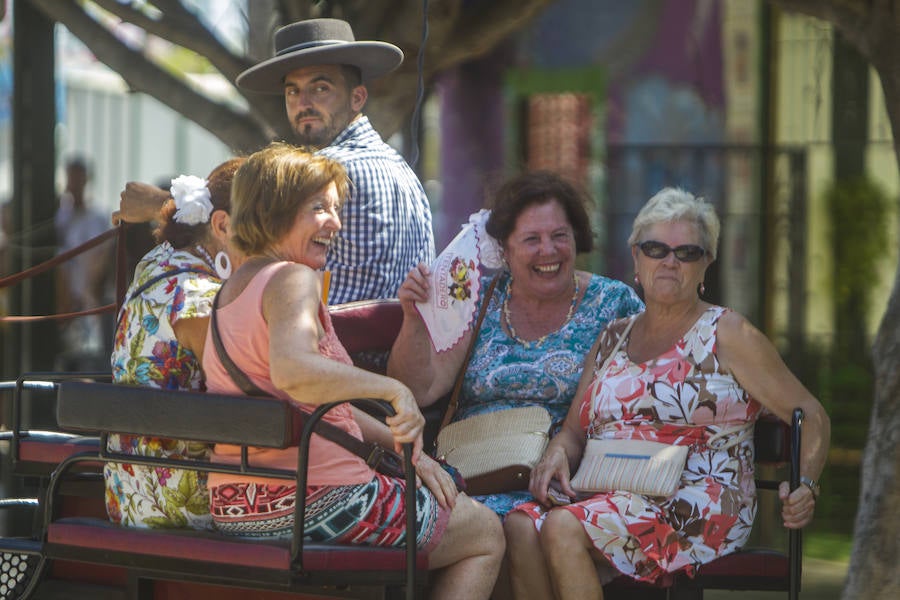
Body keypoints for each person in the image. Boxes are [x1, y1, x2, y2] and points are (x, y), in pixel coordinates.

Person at [201, 142, 503, 599]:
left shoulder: (230, 292)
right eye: (319, 207)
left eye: (336, 209)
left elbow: (315, 406)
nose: (335, 222)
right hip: (318, 500)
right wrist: (394, 392)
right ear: (275, 207)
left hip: (238, 505)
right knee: (484, 531)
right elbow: (293, 371)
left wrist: (414, 458)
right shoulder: (292, 279)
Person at [503, 187, 831, 600]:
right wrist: (555, 453)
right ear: (636, 257)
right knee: (520, 526)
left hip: (696, 502)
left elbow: (811, 414)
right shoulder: (613, 336)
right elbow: (573, 431)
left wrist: (806, 484)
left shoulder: (727, 333)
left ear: (705, 263)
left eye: (687, 252)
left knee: (562, 526)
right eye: (656, 248)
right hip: (611, 492)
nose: (670, 261)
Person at [114, 18, 435, 306]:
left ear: (358, 98)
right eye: (293, 91)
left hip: (327, 359)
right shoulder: (404, 170)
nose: (303, 103)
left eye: (320, 88)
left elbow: (238, 230)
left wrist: (159, 204)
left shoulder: (325, 171)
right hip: (397, 363)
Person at [387, 170, 644, 517]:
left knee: (528, 526)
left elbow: (645, 396)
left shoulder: (614, 304)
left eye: (559, 236)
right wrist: (414, 320)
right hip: (473, 478)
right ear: (504, 249)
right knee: (468, 523)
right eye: (531, 239)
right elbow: (420, 390)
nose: (548, 250)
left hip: (566, 483)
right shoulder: (476, 298)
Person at [105, 158, 246, 530]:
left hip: (128, 492)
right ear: (223, 226)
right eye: (266, 226)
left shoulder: (156, 261)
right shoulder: (202, 299)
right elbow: (251, 401)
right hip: (180, 504)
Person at [54, 155, 115, 371]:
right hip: (65, 300)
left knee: (91, 358)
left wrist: (93, 287)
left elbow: (104, 255)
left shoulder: (98, 216)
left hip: (91, 301)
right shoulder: (60, 216)